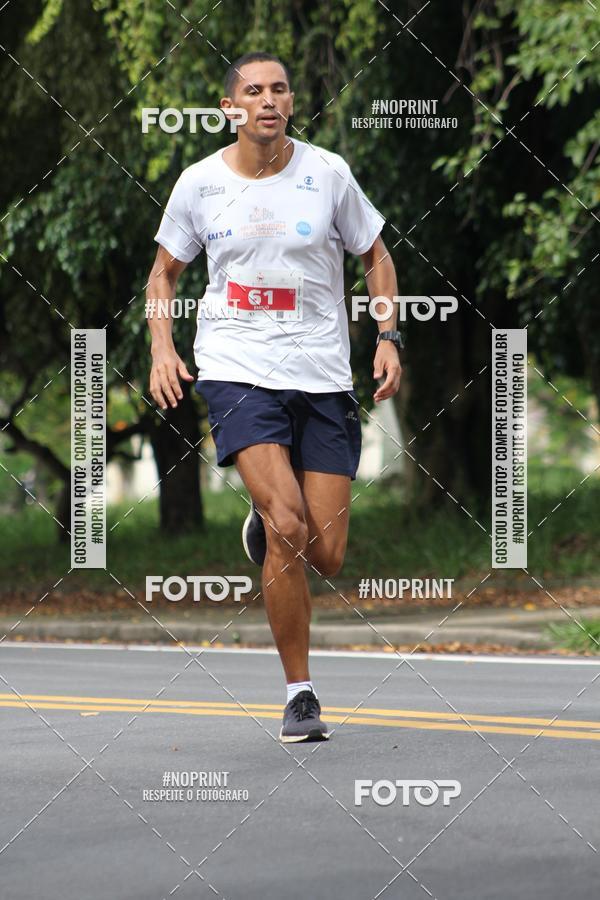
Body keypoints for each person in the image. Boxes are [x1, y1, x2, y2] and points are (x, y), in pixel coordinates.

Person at [147, 51, 402, 742]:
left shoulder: (328, 174)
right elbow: (163, 276)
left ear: (292, 102)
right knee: (289, 523)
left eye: (279, 89)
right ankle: (300, 693)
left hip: (321, 373)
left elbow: (376, 255)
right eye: (253, 91)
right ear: (231, 107)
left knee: (327, 554)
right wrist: (163, 347)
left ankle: (262, 530)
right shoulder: (200, 185)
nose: (267, 100)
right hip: (236, 367)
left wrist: (387, 334)